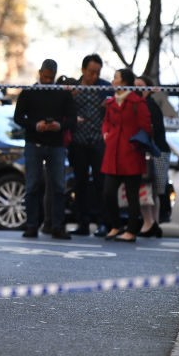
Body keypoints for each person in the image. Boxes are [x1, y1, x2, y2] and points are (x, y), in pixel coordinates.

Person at [13, 58, 76, 240]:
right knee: (32, 185)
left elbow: (72, 119)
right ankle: (32, 225)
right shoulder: (29, 92)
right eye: (45, 76)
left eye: (51, 77)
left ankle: (57, 226)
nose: (48, 80)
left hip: (56, 145)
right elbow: (18, 117)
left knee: (58, 187)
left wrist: (59, 126)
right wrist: (35, 125)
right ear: (40, 73)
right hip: (34, 143)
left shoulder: (63, 94)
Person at [100, 68, 151, 242]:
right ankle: (116, 225)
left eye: (116, 78)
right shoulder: (111, 102)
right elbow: (106, 122)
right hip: (112, 152)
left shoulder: (137, 102)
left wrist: (135, 144)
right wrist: (106, 133)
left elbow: (146, 127)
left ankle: (131, 230)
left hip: (131, 154)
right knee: (108, 192)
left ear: (124, 82)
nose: (113, 81)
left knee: (132, 196)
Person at [67, 54, 112, 237]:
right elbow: (63, 110)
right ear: (83, 70)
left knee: (101, 183)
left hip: (98, 142)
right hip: (78, 143)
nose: (94, 76)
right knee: (80, 183)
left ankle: (103, 223)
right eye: (91, 72)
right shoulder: (73, 88)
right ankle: (82, 223)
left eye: (98, 73)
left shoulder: (105, 88)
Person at [134, 75, 169, 238]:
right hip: (158, 151)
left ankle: (149, 223)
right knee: (154, 191)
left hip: (153, 152)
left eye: (140, 85)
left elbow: (149, 130)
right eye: (134, 85)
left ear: (149, 89)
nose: (137, 88)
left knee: (147, 188)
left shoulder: (148, 106)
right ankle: (154, 223)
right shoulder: (151, 104)